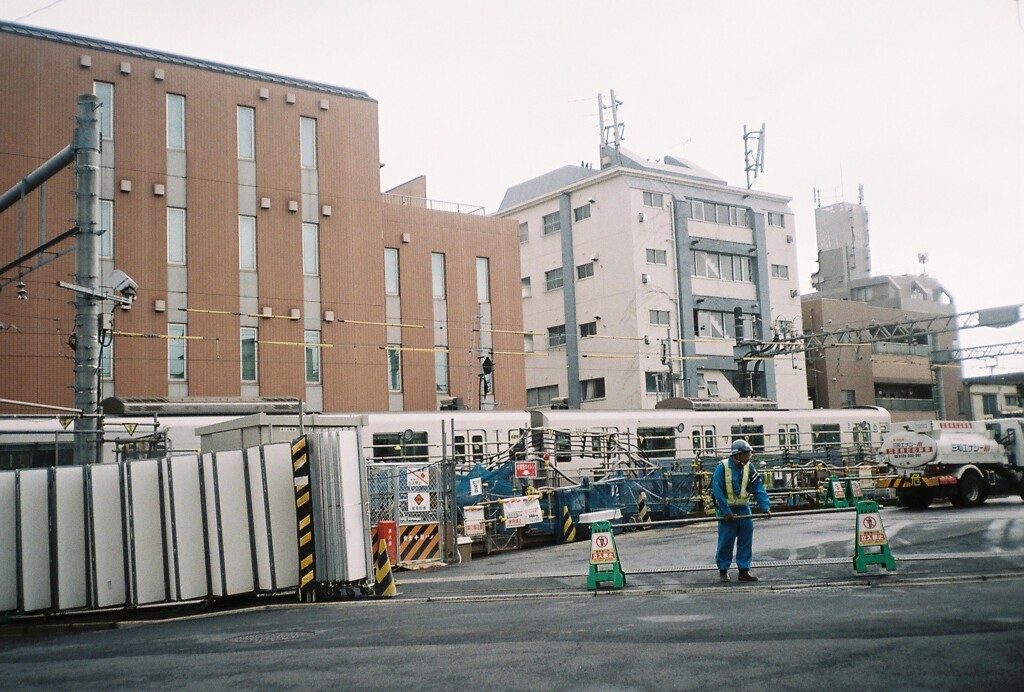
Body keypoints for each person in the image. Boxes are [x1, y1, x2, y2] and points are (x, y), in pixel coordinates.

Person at [711, 439, 771, 583]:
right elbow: (717, 491)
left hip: (744, 509)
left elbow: (758, 487)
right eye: (747, 454)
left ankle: (744, 571)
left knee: (745, 540)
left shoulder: (749, 468)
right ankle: (723, 571)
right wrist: (725, 511)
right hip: (728, 512)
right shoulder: (722, 467)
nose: (749, 456)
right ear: (737, 455)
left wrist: (765, 507)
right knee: (726, 541)